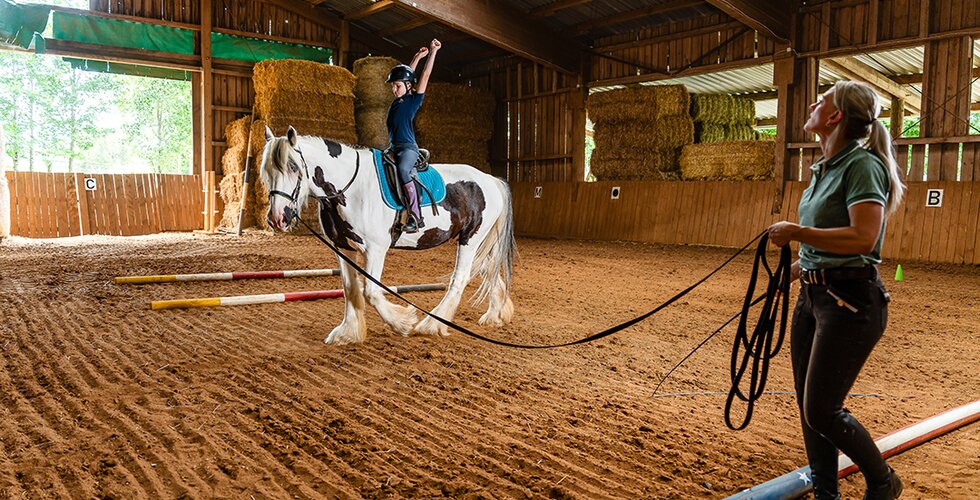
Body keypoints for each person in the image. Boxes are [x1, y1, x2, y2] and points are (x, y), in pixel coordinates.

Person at [768, 81, 906, 500]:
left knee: (822, 410)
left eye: (822, 100)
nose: (813, 103)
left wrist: (797, 232)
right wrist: (799, 268)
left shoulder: (861, 165)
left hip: (850, 303)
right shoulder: (824, 168)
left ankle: (883, 481)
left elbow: (863, 237)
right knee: (811, 409)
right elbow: (831, 239)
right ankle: (826, 495)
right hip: (814, 297)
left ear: (835, 116)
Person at [385, 38, 441, 233]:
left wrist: (432, 52)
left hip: (408, 148)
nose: (394, 89)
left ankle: (416, 216)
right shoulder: (397, 102)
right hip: (393, 147)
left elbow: (424, 75)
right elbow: (406, 73)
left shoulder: (413, 100)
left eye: (397, 86)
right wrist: (417, 56)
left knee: (403, 170)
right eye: (393, 86)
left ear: (409, 86)